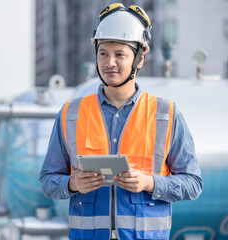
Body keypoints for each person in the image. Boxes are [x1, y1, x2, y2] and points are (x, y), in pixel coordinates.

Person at [39, 3, 202, 240]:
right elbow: (47, 180)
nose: (109, 63)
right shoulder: (70, 113)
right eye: (103, 53)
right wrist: (73, 184)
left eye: (120, 54)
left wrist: (149, 183)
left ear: (139, 59)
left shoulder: (165, 114)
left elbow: (193, 183)